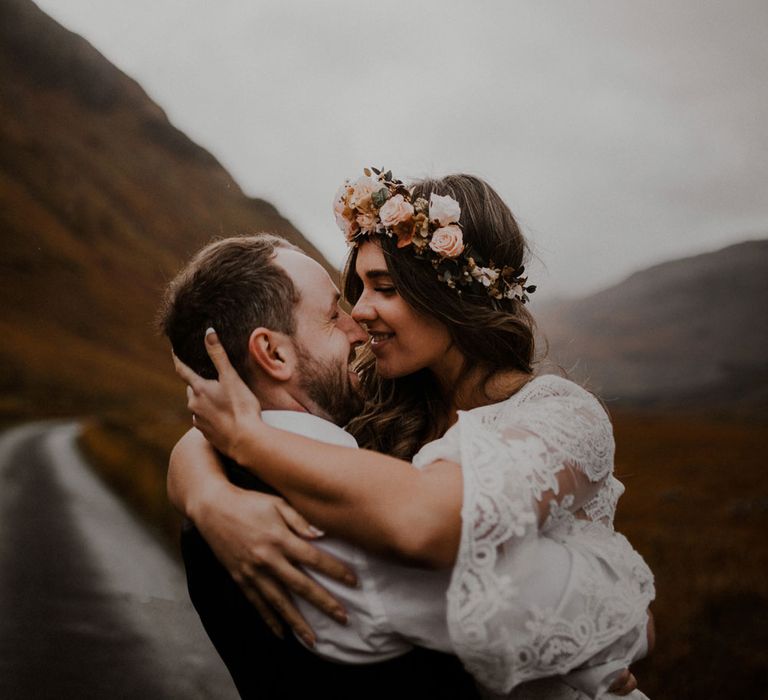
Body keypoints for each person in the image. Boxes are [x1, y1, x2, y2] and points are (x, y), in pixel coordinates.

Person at [170, 171, 655, 698]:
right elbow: (250, 412)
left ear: (448, 293)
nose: (358, 313)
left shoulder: (560, 416)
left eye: (385, 288)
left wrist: (243, 444)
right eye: (355, 292)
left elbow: (431, 520)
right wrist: (211, 497)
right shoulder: (375, 394)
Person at [160, 234, 483, 699]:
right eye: (333, 315)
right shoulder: (349, 524)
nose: (359, 330)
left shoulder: (222, 486)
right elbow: (537, 625)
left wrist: (206, 493)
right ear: (273, 354)